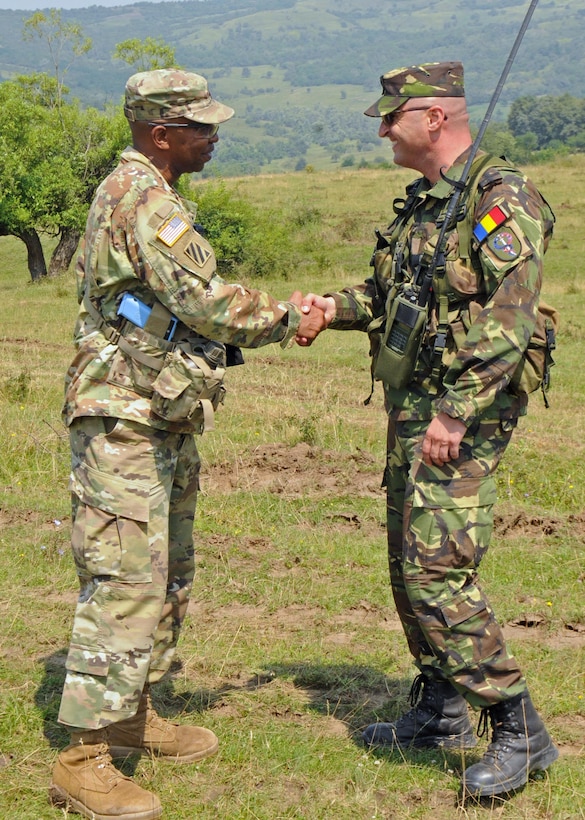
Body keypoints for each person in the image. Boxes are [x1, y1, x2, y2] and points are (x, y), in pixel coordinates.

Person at [49, 68, 326, 820]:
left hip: (158, 408)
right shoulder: (140, 200)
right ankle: (81, 758)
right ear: (160, 133)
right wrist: (287, 317)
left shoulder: (155, 196)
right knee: (125, 578)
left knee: (167, 570)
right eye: (200, 126)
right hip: (123, 416)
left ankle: (131, 714)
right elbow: (203, 301)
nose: (213, 136)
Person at [298, 61, 558, 799]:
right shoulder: (426, 206)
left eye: (392, 117)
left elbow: (506, 322)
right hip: (413, 408)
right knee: (402, 559)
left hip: (460, 416)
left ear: (434, 119)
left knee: (437, 569)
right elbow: (390, 296)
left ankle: (518, 730)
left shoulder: (501, 199)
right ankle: (440, 707)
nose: (382, 129)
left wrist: (453, 412)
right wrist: (327, 308)